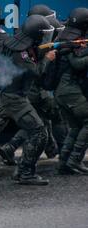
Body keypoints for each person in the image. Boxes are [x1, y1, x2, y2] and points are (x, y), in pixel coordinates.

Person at [0, 15, 57, 185]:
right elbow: (36, 73)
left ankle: (22, 170)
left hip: (16, 96)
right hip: (14, 98)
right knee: (39, 132)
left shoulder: (22, 46)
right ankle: (25, 173)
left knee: (36, 130)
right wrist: (47, 59)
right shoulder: (21, 54)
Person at [54, 7, 88, 175]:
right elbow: (77, 64)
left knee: (75, 127)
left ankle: (63, 163)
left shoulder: (67, 37)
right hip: (69, 90)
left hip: (62, 91)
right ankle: (75, 160)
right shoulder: (70, 41)